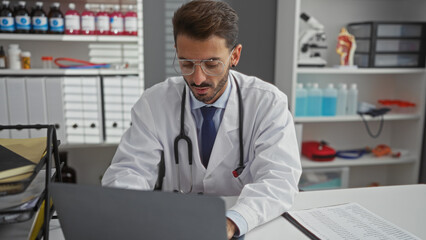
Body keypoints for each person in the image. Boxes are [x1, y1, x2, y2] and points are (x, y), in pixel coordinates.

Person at [102, 0, 301, 239]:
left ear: (234, 55)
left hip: (245, 224)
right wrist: (133, 213)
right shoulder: (154, 103)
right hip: (173, 225)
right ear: (176, 52)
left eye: (211, 64)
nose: (198, 79)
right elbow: (129, 171)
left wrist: (230, 222)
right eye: (187, 63)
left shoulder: (267, 103)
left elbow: (279, 178)